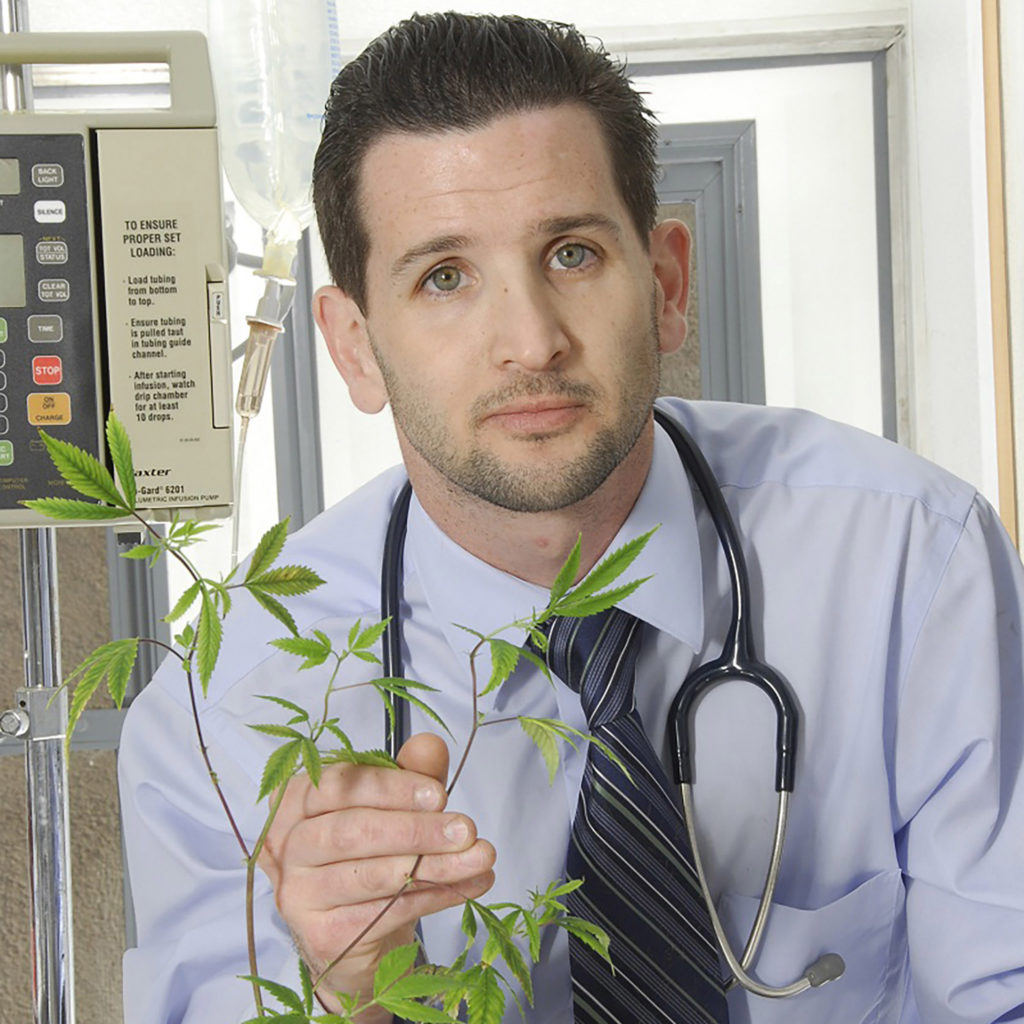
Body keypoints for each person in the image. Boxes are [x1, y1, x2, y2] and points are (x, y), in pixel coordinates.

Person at [117, 12, 1024, 1024]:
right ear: (356, 349)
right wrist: (350, 995)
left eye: (572, 254)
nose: (530, 341)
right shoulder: (221, 715)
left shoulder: (911, 561)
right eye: (444, 277)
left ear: (667, 282)